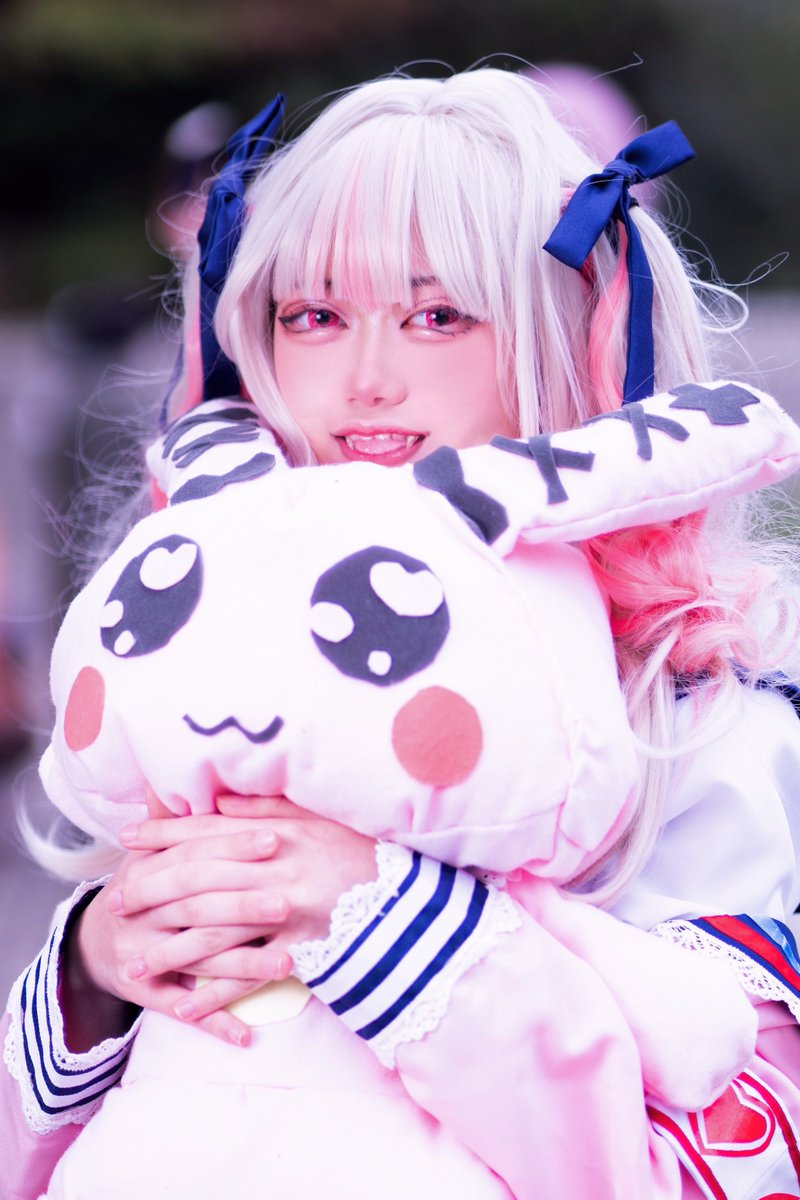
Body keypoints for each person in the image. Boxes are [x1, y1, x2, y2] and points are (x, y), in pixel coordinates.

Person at [4, 66, 800, 1200]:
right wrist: (98, 968)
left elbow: (726, 1161)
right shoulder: (201, 664)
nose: (364, 380)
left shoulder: (701, 721)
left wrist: (386, 921)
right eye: (313, 316)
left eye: (438, 315)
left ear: (574, 333)